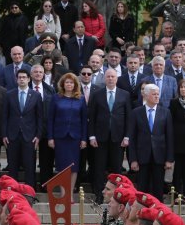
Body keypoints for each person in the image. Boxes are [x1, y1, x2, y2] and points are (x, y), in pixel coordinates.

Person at [87, 69, 131, 199]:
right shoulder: (96, 94)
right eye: (108, 77)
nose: (110, 79)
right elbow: (91, 117)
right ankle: (99, 194)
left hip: (118, 137)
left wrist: (127, 136)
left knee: (117, 168)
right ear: (104, 78)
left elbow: (129, 118)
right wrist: (92, 136)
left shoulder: (125, 95)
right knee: (99, 167)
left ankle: (117, 195)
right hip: (100, 137)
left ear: (116, 78)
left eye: (113, 76)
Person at [130, 83, 173, 199]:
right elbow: (132, 138)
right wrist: (133, 159)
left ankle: (158, 213)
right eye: (154, 94)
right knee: (142, 188)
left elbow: (169, 137)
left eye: (158, 94)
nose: (157, 96)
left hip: (159, 156)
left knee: (158, 188)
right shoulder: (136, 112)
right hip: (142, 157)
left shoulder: (166, 112)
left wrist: (169, 159)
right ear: (146, 95)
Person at [47, 73, 87, 193]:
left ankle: (69, 194)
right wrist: (50, 137)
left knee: (73, 167)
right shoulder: (56, 98)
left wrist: (84, 139)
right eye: (67, 82)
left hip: (75, 138)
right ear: (63, 84)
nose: (69, 84)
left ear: (75, 85)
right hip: (60, 137)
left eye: (71, 82)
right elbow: (50, 119)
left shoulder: (81, 98)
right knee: (62, 167)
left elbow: (84, 120)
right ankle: (63, 193)